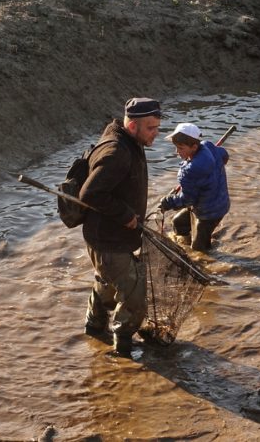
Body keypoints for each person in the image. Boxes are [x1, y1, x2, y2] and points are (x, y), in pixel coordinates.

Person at [80, 97, 162, 358]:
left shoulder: (129, 142)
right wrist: (126, 213)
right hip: (108, 240)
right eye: (151, 128)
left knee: (107, 282)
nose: (156, 134)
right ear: (132, 125)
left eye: (157, 127)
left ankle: (94, 329)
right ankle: (122, 351)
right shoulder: (117, 152)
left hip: (109, 238)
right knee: (135, 293)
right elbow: (90, 194)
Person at [158, 122, 230, 252]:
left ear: (194, 146)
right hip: (215, 201)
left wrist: (168, 202)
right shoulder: (209, 146)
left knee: (199, 249)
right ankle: (184, 244)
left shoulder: (188, 172)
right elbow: (224, 155)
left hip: (210, 212)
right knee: (178, 222)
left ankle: (205, 262)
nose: (177, 152)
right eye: (176, 147)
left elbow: (187, 201)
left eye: (181, 148)